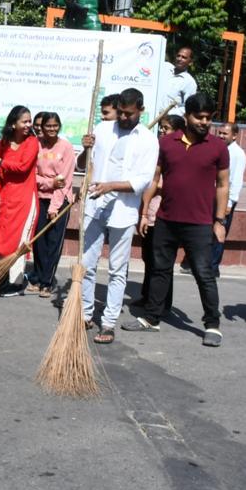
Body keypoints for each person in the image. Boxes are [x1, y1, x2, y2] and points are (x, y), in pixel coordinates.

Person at [123, 93, 230, 347]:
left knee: (204, 274)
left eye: (208, 118)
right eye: (199, 117)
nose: (204, 122)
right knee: (160, 270)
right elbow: (154, 178)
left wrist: (219, 221)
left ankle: (212, 324)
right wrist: (145, 211)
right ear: (187, 116)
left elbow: (223, 185)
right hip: (166, 220)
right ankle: (151, 318)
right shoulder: (166, 143)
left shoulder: (218, 147)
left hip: (200, 224)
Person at [77, 89, 159, 343]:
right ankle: (85, 314)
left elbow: (142, 180)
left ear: (140, 110)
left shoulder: (147, 140)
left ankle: (108, 322)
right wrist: (84, 149)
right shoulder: (102, 130)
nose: (123, 117)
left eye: (129, 113)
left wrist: (111, 185)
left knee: (117, 269)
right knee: (87, 265)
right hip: (95, 206)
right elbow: (83, 164)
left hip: (123, 212)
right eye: (121, 112)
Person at [132, 114, 184, 311]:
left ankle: (161, 303)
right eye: (161, 127)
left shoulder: (177, 154)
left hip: (163, 216)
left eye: (167, 128)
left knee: (161, 263)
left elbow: (163, 182)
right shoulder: (156, 150)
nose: (162, 131)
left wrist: (154, 183)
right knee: (148, 258)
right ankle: (147, 296)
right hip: (148, 213)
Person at [0, 105, 40, 296]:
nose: (28, 124)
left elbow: (23, 167)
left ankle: (16, 282)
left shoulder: (32, 142)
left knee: (20, 241)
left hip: (25, 199)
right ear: (13, 123)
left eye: (29, 121)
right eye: (24, 121)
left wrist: (1, 162)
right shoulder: (3, 143)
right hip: (5, 197)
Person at [27, 112, 75, 297]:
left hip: (60, 200)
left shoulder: (66, 147)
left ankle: (47, 281)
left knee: (53, 242)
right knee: (39, 241)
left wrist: (55, 207)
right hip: (39, 197)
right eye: (48, 126)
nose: (52, 129)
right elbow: (31, 174)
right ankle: (37, 277)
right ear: (41, 126)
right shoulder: (35, 144)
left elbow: (65, 180)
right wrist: (47, 183)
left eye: (55, 125)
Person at [212, 121, 246, 276]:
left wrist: (229, 203)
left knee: (219, 231)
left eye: (225, 133)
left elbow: (236, 180)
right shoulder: (219, 149)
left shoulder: (237, 154)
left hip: (226, 199)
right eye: (219, 133)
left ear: (234, 136)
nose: (221, 136)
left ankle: (213, 267)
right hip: (213, 195)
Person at [163, 46, 197, 115]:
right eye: (178, 56)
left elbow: (187, 107)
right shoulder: (165, 68)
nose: (179, 59)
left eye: (184, 57)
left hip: (167, 121)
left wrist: (167, 114)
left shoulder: (189, 82)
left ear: (190, 62)